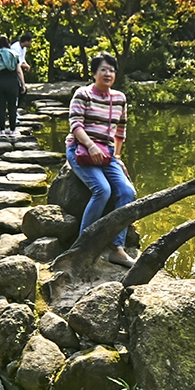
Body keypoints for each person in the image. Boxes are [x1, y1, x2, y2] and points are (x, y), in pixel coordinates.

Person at [66, 53, 136, 267]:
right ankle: (82, 247)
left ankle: (117, 248)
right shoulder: (83, 94)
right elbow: (75, 125)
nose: (108, 74)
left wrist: (117, 156)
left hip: (107, 153)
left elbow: (121, 131)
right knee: (102, 190)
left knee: (127, 192)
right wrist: (91, 145)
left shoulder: (120, 98)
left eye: (112, 70)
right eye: (104, 69)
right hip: (80, 149)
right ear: (94, 73)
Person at [0, 35, 25, 135]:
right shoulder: (14, 54)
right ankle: (13, 130)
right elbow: (19, 71)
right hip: (12, 83)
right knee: (12, 107)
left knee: (1, 107)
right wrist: (23, 84)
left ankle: (2, 130)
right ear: (8, 43)